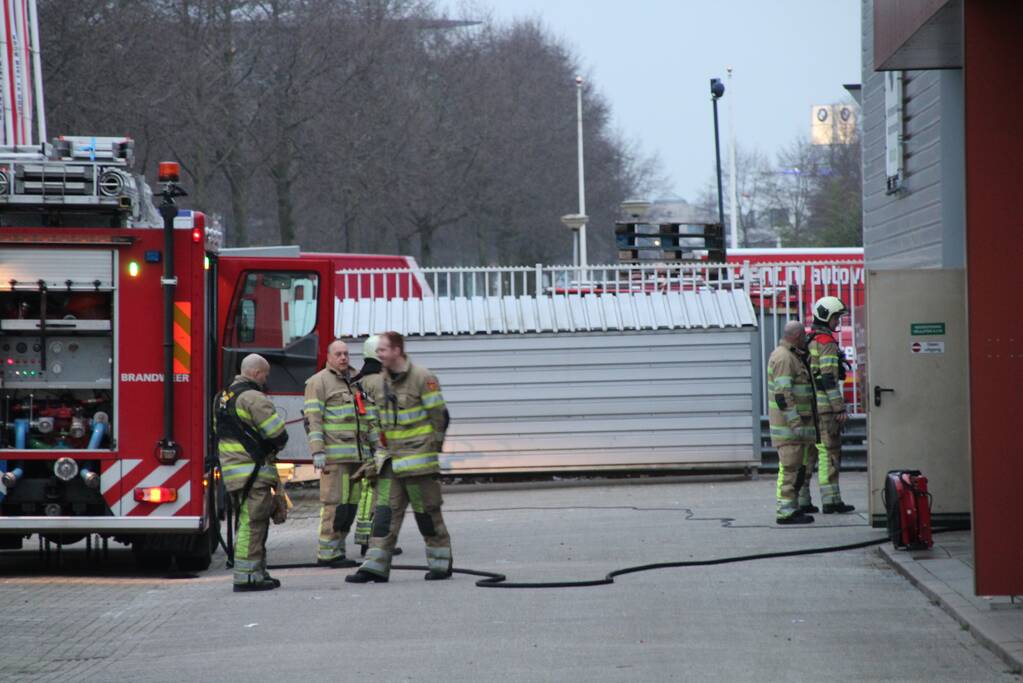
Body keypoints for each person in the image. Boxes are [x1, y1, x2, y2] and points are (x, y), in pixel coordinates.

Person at [346, 331, 453, 583]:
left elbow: (440, 417)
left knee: (427, 514)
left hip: (418, 464)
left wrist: (432, 450)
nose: (379, 354)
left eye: (383, 349)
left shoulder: (423, 378)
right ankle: (374, 566)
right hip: (392, 463)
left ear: (397, 350)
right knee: (384, 515)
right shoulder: (382, 380)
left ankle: (440, 563)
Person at [215, 354, 289, 592]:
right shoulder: (254, 398)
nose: (266, 379)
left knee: (248, 521)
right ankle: (246, 576)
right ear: (257, 373)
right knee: (253, 522)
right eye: (265, 375)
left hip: (234, 472)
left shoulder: (222, 398)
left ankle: (257, 572)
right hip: (253, 472)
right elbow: (277, 434)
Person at [304, 339, 380, 567]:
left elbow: (369, 416)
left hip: (358, 457)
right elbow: (313, 420)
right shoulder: (318, 382)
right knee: (334, 506)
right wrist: (318, 451)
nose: (344, 357)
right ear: (328, 356)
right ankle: (327, 553)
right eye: (338, 354)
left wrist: (377, 447)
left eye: (346, 353)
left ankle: (339, 550)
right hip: (335, 459)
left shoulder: (356, 379)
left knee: (349, 507)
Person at [805, 296, 856, 514]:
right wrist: (839, 407)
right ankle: (831, 500)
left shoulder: (811, 340)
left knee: (811, 455)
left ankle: (803, 501)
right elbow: (827, 378)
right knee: (830, 453)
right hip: (826, 408)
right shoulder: (825, 342)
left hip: (813, 407)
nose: (837, 322)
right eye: (836, 317)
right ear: (826, 316)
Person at [768, 321, 818, 525]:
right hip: (789, 429)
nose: (806, 339)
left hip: (796, 429)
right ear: (797, 336)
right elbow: (783, 395)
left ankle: (792, 507)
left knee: (796, 469)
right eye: (804, 336)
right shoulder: (784, 358)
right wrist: (796, 423)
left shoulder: (791, 356)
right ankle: (785, 512)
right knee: (790, 469)